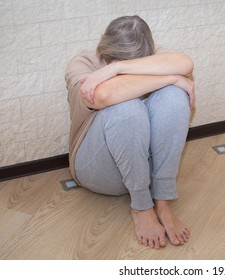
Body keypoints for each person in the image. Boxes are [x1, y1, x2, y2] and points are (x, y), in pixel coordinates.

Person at [65, 15, 195, 250]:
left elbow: (186, 63)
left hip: (146, 165)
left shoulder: (152, 54)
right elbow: (104, 96)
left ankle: (162, 201)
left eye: (135, 63)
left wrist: (118, 68)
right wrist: (172, 78)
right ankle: (142, 206)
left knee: (175, 97)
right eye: (115, 61)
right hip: (98, 168)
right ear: (103, 51)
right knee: (126, 107)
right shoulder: (82, 64)